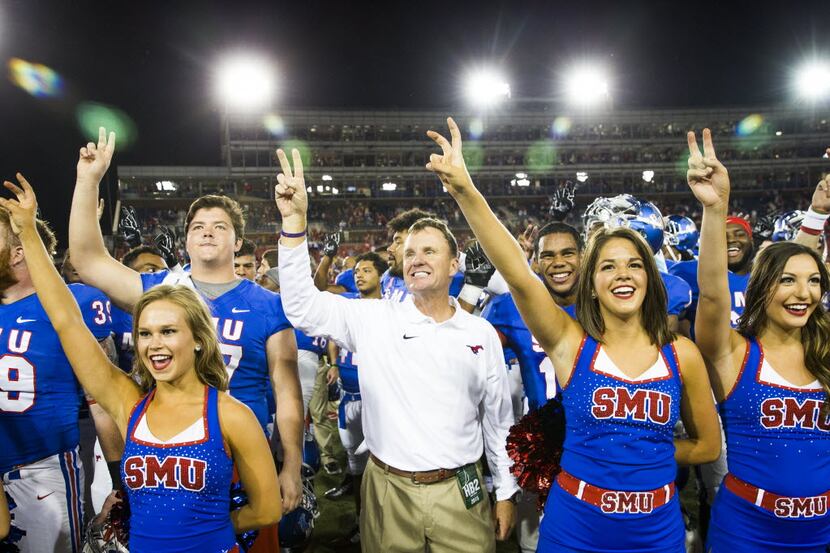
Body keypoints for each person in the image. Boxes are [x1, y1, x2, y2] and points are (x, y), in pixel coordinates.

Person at [426, 118, 721, 552]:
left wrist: (643, 449)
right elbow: (519, 275)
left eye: (634, 264)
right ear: (592, 281)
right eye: (608, 265)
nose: (623, 274)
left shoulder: (682, 354)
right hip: (575, 526)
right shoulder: (570, 342)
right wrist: (465, 190)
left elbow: (708, 446)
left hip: (657, 528)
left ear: (649, 278)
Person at [0, 173, 282, 553]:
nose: (153, 345)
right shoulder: (128, 402)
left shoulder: (233, 415)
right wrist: (30, 233)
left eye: (168, 331)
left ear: (199, 339)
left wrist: (212, 530)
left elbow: (267, 509)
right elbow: (66, 320)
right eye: (145, 333)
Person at [275, 148, 519, 552]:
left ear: (454, 265)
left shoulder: (480, 333)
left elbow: (498, 421)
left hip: (462, 488)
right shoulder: (372, 318)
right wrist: (294, 222)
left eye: (428, 251)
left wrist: (506, 491)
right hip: (388, 487)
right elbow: (301, 305)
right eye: (408, 253)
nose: (416, 259)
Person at [67, 129, 304, 516]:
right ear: (187, 242)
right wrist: (88, 181)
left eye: (220, 226)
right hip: (170, 451)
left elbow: (288, 392)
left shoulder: (269, 305)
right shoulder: (159, 288)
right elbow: (87, 259)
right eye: (198, 227)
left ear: (238, 242)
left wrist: (291, 463)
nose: (207, 231)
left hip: (243, 452)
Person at [686, 129, 830, 553]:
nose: (803, 293)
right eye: (787, 281)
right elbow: (712, 292)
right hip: (747, 532)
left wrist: (819, 216)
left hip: (821, 532)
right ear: (761, 289)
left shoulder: (824, 353)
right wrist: (716, 209)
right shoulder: (733, 353)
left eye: (814, 282)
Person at [0, 208, 113, 553]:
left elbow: (105, 401)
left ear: (19, 251)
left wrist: (120, 478)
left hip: (40, 469)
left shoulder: (75, 303)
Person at [323, 251, 387, 545]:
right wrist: (334, 363)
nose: (359, 275)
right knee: (356, 468)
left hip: (378, 400)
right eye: (357, 271)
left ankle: (385, 527)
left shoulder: (392, 310)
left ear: (382, 276)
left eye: (367, 271)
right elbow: (319, 290)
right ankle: (362, 526)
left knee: (383, 468)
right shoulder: (348, 304)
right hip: (349, 397)